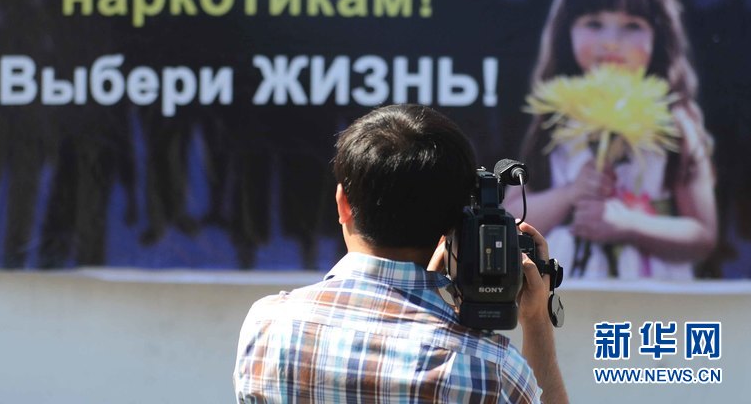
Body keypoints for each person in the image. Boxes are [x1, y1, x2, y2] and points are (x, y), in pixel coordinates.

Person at [234, 104, 568, 403]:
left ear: (343, 204)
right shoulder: (491, 368)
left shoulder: (268, 327)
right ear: (455, 221)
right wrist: (536, 321)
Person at [504, 0, 717, 279]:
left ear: (659, 37)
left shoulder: (673, 122)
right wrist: (571, 194)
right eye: (594, 23)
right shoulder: (556, 116)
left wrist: (628, 224)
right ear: (567, 32)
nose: (612, 43)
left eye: (632, 26)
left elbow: (702, 236)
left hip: (650, 290)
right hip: (567, 285)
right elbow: (511, 217)